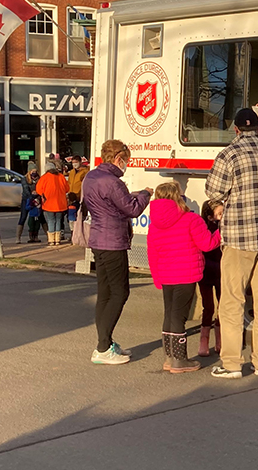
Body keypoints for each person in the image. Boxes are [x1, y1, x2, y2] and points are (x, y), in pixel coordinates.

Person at [205, 108, 258, 379]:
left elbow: (213, 190)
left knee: (232, 301)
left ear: (236, 130)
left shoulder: (229, 154)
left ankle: (232, 363)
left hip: (239, 239)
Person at [86, 139, 152, 365]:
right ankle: (103, 347)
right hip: (113, 241)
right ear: (118, 159)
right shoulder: (113, 182)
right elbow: (132, 209)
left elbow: (109, 205)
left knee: (104, 293)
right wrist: (144, 194)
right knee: (120, 292)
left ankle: (105, 342)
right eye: (127, 160)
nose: (127, 165)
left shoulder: (91, 177)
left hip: (97, 239)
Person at [147, 182, 221, 374]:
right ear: (177, 197)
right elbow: (207, 244)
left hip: (165, 275)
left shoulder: (154, 223)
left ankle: (169, 358)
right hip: (186, 274)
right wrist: (221, 232)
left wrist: (156, 277)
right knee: (179, 316)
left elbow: (152, 253)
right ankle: (180, 361)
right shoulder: (191, 219)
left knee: (169, 314)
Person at [197, 200, 225, 357]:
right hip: (206, 273)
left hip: (221, 273)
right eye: (219, 214)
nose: (222, 217)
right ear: (209, 217)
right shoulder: (203, 229)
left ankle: (220, 340)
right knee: (208, 307)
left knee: (223, 306)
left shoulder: (225, 228)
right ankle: (204, 340)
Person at [37, 160, 70, 247]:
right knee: (58, 220)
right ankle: (58, 240)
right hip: (60, 203)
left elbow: (38, 190)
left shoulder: (44, 177)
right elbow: (67, 188)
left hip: (49, 203)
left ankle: (51, 240)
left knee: (51, 221)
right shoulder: (61, 176)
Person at [16, 169, 39, 244]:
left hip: (36, 199)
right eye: (32, 170)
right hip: (26, 200)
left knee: (39, 218)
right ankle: (18, 238)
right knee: (23, 217)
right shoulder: (24, 179)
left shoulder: (39, 178)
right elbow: (25, 189)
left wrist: (37, 195)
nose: (34, 172)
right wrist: (32, 196)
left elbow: (40, 188)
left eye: (35, 170)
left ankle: (45, 236)